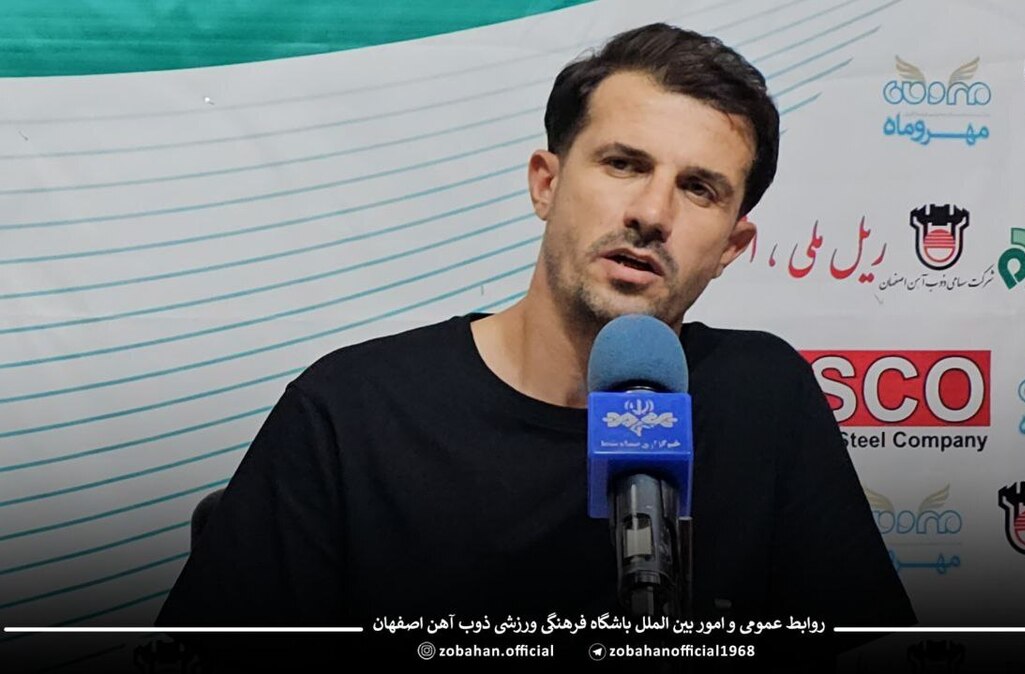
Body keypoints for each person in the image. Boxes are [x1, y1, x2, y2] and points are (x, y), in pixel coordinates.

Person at [156, 22, 915, 671]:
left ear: (731, 247)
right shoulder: (352, 410)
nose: (652, 212)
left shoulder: (765, 397)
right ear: (546, 184)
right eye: (624, 164)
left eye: (698, 189)